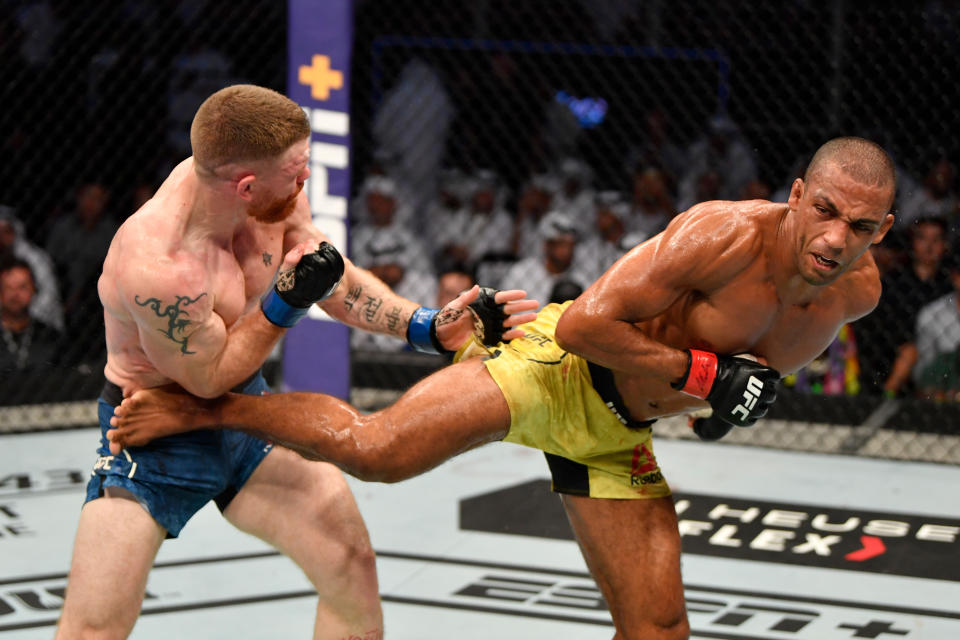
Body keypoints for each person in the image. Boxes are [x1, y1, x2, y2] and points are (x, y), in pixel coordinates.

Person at [108, 136, 897, 640]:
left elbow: (745, 376)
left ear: (882, 233)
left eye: (860, 229)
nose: (836, 239)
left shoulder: (855, 295)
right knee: (378, 450)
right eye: (826, 211)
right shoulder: (722, 234)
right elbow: (590, 325)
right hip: (558, 370)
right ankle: (203, 406)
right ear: (797, 193)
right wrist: (704, 376)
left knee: (659, 629)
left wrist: (722, 405)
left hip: (618, 437)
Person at [55, 84, 537, 640]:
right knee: (93, 630)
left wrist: (423, 326)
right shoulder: (160, 265)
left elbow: (324, 272)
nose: (305, 183)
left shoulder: (273, 194)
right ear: (246, 185)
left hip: (244, 415)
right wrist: (285, 304)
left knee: (349, 563)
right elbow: (207, 377)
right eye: (297, 174)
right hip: (152, 431)